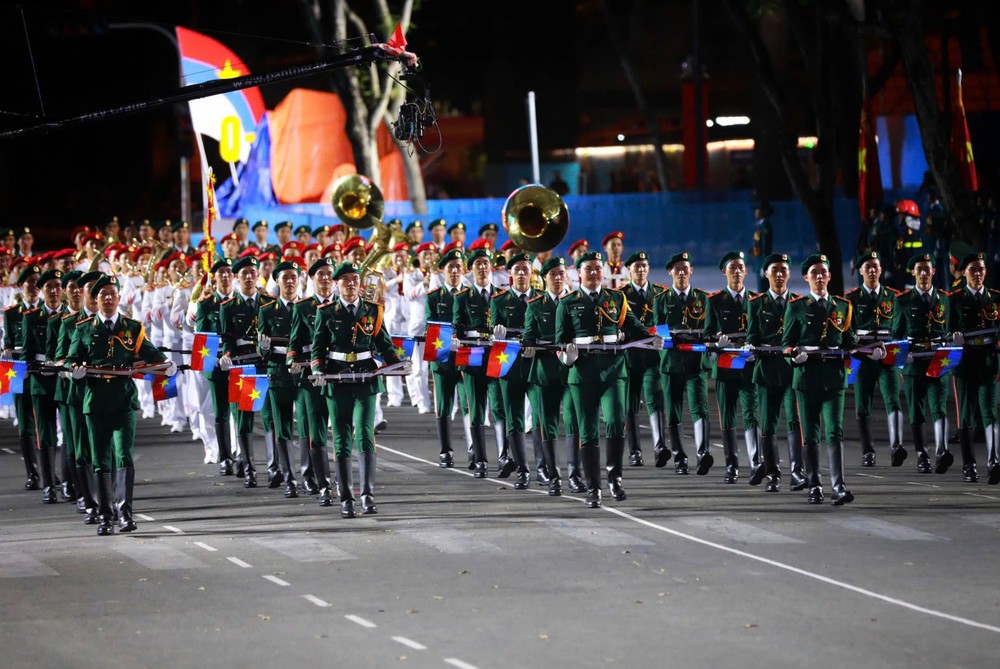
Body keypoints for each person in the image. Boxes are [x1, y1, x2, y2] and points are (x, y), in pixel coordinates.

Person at [66, 275, 176, 535]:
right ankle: (105, 517)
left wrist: (166, 364)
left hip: (123, 400)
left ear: (118, 298)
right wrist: (74, 371)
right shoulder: (83, 328)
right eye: (102, 294)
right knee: (100, 460)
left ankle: (125, 514)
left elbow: (150, 352)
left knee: (124, 455)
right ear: (95, 299)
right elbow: (70, 359)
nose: (107, 298)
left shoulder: (132, 328)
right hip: (95, 402)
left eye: (112, 294)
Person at [555, 250, 654, 508]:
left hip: (613, 370)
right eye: (589, 269)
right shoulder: (568, 303)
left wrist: (652, 338)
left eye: (598, 268)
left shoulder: (616, 298)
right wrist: (566, 357)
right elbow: (560, 340)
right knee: (587, 429)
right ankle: (593, 488)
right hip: (582, 371)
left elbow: (634, 327)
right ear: (579, 273)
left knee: (615, 422)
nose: (595, 273)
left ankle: (614, 479)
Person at [310, 260, 406, 518]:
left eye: (355, 279)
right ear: (336, 284)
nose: (351, 284)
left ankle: (367, 495)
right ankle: (346, 498)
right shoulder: (326, 312)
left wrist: (397, 363)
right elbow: (318, 347)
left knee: (364, 434)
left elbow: (384, 344)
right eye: (345, 280)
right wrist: (318, 370)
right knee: (341, 438)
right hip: (337, 378)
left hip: (366, 377)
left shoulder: (372, 310)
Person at [782, 253, 876, 506]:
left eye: (823, 272)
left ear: (830, 276)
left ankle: (838, 487)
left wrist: (871, 352)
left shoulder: (843, 306)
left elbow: (850, 342)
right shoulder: (797, 307)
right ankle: (814, 485)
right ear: (806, 278)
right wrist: (794, 357)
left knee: (835, 431)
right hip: (807, 378)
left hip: (834, 379)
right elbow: (786, 344)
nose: (820, 277)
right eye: (814, 273)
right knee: (811, 433)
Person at [890, 253, 954, 475]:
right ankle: (922, 455)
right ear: (913, 272)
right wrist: (902, 356)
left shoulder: (944, 299)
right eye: (920, 269)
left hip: (938, 360)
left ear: (934, 272)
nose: (924, 273)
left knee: (939, 407)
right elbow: (896, 333)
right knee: (917, 411)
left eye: (928, 269)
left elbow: (949, 328)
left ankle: (941, 451)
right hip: (914, 363)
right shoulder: (903, 300)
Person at [746, 253, 804, 492]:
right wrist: (750, 349)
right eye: (775, 270)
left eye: (784, 270)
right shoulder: (756, 304)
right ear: (766, 273)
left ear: (789, 274)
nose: (779, 274)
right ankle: (773, 474)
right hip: (767, 370)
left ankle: (797, 472)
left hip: (792, 370)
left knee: (795, 420)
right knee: (768, 423)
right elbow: (752, 336)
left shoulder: (799, 303)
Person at [653, 252, 712, 475]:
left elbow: (708, 328)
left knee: (700, 408)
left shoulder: (703, 299)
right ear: (670, 272)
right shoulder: (661, 300)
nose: (681, 272)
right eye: (677, 269)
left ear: (691, 271)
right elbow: (659, 330)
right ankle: (680, 458)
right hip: (671, 363)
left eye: (685, 268)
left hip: (696, 363)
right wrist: (672, 339)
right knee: (673, 411)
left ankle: (703, 453)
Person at [217, 256, 274, 488]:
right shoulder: (228, 307)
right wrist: (227, 357)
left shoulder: (269, 303)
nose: (249, 277)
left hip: (265, 363)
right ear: (236, 277)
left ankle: (274, 468)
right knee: (243, 417)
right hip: (242, 365)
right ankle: (249, 468)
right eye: (244, 274)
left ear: (258, 275)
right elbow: (228, 340)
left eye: (252, 272)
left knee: (270, 417)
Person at [844, 251, 905, 467]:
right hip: (863, 358)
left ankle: (896, 446)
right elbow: (848, 333)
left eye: (875, 266)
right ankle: (867, 451)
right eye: (867, 267)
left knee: (893, 400)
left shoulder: (893, 297)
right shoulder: (851, 298)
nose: (872, 270)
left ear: (881, 270)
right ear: (860, 271)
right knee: (863, 405)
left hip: (887, 357)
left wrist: (899, 355)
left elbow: (899, 329)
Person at [704, 250, 759, 484]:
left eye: (740, 267)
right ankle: (731, 465)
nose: (737, 272)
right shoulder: (715, 301)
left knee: (751, 413)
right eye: (732, 267)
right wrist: (717, 343)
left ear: (746, 271)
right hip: (726, 365)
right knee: (727, 417)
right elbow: (706, 334)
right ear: (724, 272)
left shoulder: (756, 300)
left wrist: (756, 350)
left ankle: (756, 462)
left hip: (748, 364)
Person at [946, 251, 1000, 485]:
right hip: (965, 362)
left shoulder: (995, 298)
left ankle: (994, 462)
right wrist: (953, 337)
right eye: (973, 270)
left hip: (988, 360)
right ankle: (969, 465)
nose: (978, 274)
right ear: (964, 273)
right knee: (965, 415)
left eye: (981, 269)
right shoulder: (955, 299)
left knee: (990, 413)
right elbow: (946, 330)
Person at [522, 256, 573, 495]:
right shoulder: (535, 305)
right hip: (545, 372)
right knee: (546, 423)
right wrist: (528, 347)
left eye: (561, 273)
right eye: (553, 274)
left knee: (575, 422)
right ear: (544, 278)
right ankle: (553, 476)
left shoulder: (576, 301)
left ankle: (575, 474)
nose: (558, 278)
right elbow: (529, 336)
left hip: (572, 371)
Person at [489, 251, 541, 489]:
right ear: (510, 273)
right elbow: (494, 330)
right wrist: (496, 335)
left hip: (536, 362)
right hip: (509, 362)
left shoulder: (541, 299)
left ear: (531, 272)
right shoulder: (499, 301)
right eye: (517, 269)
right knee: (514, 418)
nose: (521, 273)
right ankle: (522, 471)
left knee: (540, 416)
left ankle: (543, 468)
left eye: (525, 269)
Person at [288, 257, 337, 504]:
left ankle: (339, 480)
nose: (326, 279)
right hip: (310, 375)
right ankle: (320, 481)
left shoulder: (342, 303)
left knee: (340, 429)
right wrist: (292, 361)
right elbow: (294, 343)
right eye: (321, 274)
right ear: (312, 279)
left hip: (338, 374)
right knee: (313, 428)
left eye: (329, 274)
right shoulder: (303, 307)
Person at [20, 267, 67, 504]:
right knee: (45, 435)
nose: (55, 291)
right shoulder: (31, 317)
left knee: (69, 432)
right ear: (41, 290)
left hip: (66, 380)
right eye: (49, 287)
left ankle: (69, 483)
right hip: (41, 381)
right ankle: (49, 485)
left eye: (58, 286)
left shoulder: (71, 316)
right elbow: (27, 352)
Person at [256, 260, 301, 498]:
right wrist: (263, 348)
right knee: (282, 427)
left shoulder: (309, 307)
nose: (290, 281)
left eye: (294, 277)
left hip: (303, 373)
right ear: (277, 281)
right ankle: (289, 478)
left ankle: (310, 476)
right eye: (285, 277)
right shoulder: (267, 310)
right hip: (278, 372)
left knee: (307, 426)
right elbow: (261, 346)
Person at [452, 246, 498, 478]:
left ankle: (505, 456)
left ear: (491, 267)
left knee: (499, 405)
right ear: (470, 269)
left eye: (485, 263)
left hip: (496, 354)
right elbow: (456, 325)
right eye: (478, 264)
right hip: (471, 353)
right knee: (476, 407)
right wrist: (456, 338)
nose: (482, 267)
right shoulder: (462, 297)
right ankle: (480, 460)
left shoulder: (501, 295)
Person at [619, 251, 665, 468]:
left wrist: (661, 335)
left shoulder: (660, 294)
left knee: (656, 400)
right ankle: (634, 451)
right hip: (630, 358)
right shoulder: (621, 295)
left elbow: (665, 323)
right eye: (636, 266)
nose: (641, 270)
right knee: (630, 405)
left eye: (644, 266)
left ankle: (660, 447)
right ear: (629, 269)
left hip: (653, 357)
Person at [194, 258, 237, 476]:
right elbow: (202, 337)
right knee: (220, 412)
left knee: (241, 411)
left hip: (240, 362)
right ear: (214, 277)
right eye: (221, 272)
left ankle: (242, 455)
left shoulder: (241, 301)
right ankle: (225, 457)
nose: (225, 275)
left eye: (229, 271)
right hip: (216, 364)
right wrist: (210, 363)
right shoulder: (205, 304)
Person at [425, 247, 467, 468]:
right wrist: (449, 337)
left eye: (458, 267)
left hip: (467, 355)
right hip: (442, 356)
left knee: (470, 403)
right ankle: (445, 450)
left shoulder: (469, 295)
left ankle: (474, 449)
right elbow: (429, 326)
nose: (454, 271)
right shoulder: (434, 297)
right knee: (443, 405)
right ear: (443, 270)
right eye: (450, 267)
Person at [3, 262, 42, 490]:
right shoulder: (12, 313)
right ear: (21, 285)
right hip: (18, 369)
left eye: (38, 282)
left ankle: (48, 472)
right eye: (30, 282)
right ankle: (33, 473)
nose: (35, 286)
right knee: (25, 422)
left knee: (46, 422)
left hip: (42, 369)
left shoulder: (47, 311)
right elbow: (8, 342)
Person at [750, 201, 773, 292]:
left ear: (763, 212)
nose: (756, 212)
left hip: (762, 262)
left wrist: (764, 265)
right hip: (759, 261)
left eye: (758, 210)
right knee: (761, 288)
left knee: (763, 289)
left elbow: (766, 247)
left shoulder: (765, 226)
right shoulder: (760, 225)